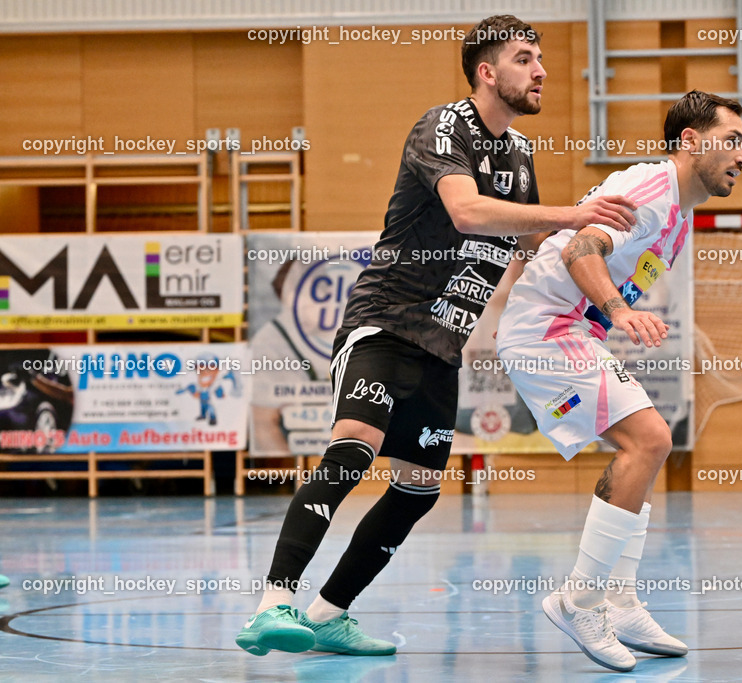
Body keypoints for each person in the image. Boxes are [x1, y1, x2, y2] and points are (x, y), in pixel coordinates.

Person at [235, 14, 638, 657]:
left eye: (540, 59)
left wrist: (603, 249)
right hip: (386, 323)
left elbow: (524, 237)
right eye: (525, 58)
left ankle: (328, 613)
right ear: (487, 71)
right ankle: (271, 604)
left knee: (418, 489)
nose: (541, 71)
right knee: (353, 448)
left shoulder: (519, 153)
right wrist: (574, 211)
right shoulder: (442, 126)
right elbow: (467, 210)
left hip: (443, 346)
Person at [495, 90, 742, 672]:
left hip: (568, 331)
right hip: (545, 330)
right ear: (690, 142)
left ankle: (620, 599)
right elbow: (582, 248)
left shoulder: (679, 209)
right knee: (652, 439)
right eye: (732, 140)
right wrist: (619, 309)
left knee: (646, 449)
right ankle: (580, 599)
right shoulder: (655, 193)